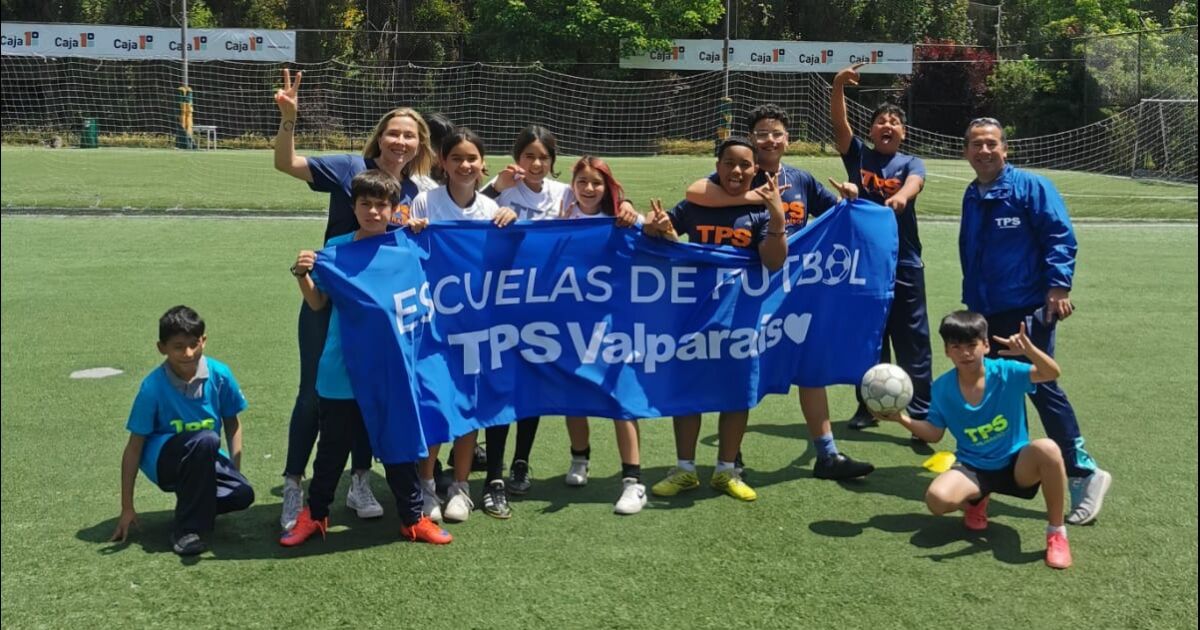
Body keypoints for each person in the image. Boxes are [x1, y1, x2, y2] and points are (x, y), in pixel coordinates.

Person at [272, 68, 438, 531]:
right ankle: (294, 487)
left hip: (377, 318)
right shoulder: (349, 169)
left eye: (409, 136)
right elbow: (287, 164)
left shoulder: (414, 193)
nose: (399, 142)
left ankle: (360, 480)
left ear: (419, 145)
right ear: (379, 137)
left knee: (371, 389)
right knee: (315, 395)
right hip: (330, 300)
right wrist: (288, 119)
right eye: (393, 133)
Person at [680, 104, 875, 483]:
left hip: (792, 294)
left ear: (788, 139)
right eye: (762, 133)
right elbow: (697, 194)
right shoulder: (740, 174)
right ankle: (731, 459)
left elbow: (839, 214)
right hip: (743, 296)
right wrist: (757, 200)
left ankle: (827, 453)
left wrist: (852, 195)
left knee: (810, 366)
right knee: (733, 371)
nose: (770, 140)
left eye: (777, 133)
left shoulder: (801, 180)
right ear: (751, 140)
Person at [280, 170, 451, 547]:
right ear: (354, 206)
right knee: (331, 451)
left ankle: (412, 519)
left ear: (394, 210)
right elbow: (318, 302)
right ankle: (316, 515)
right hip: (342, 370)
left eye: (381, 205)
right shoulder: (337, 249)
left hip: (392, 371)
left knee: (399, 445)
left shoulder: (408, 245)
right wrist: (302, 275)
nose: (373, 211)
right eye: (365, 204)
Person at [960, 117, 1112, 526]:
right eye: (976, 144)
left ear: (1005, 149)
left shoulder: (1031, 187)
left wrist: (1058, 287)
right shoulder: (972, 195)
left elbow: (1059, 236)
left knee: (1040, 387)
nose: (984, 150)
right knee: (994, 394)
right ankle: (993, 477)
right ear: (966, 151)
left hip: (1027, 308)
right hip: (986, 312)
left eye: (991, 143)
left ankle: (1083, 472)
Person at [642, 136, 788, 502]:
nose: (736, 170)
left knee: (736, 393)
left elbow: (773, 261)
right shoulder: (696, 203)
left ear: (756, 169)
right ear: (717, 165)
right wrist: (654, 226)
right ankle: (685, 469)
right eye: (729, 163)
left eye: (745, 164)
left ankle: (726, 470)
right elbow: (666, 236)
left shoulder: (760, 211)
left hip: (741, 317)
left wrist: (777, 215)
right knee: (689, 389)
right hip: (692, 314)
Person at [876, 311, 1073, 569]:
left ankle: (1056, 533)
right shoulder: (942, 388)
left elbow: (1051, 373)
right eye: (956, 347)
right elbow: (935, 433)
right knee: (937, 500)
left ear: (986, 345)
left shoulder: (1006, 372)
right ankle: (976, 500)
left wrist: (1030, 350)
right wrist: (901, 419)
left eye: (972, 345)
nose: (965, 353)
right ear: (947, 351)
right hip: (975, 468)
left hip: (1016, 466)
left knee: (1047, 449)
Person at [407, 128, 517, 522]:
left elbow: (507, 263)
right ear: (443, 163)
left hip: (477, 327)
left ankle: (461, 486)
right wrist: (411, 231)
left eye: (472, 158)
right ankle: (426, 485)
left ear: (482, 163)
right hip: (434, 327)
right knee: (437, 402)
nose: (465, 165)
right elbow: (407, 253)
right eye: (457, 159)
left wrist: (511, 223)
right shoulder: (425, 201)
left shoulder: (491, 211)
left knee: (469, 406)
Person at [831, 64, 934, 438]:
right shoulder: (858, 157)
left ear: (903, 133)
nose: (887, 125)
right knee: (869, 337)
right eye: (881, 121)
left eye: (895, 122)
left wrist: (900, 199)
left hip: (904, 262)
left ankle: (922, 412)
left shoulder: (910, 162)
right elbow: (840, 125)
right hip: (864, 265)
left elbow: (914, 184)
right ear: (872, 130)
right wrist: (838, 85)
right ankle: (868, 406)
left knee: (913, 339)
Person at [474, 125, 571, 511]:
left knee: (532, 387)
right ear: (517, 157)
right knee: (501, 384)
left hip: (546, 305)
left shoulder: (563, 194)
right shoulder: (502, 191)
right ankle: (494, 471)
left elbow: (599, 211)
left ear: (552, 160)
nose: (535, 163)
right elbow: (466, 217)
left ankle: (521, 462)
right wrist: (496, 191)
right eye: (528, 155)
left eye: (543, 157)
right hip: (502, 304)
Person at [110, 306, 254, 556]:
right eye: (178, 346)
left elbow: (233, 424)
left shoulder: (220, 375)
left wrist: (234, 469)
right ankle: (185, 530)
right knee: (207, 439)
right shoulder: (152, 387)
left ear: (204, 341)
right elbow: (134, 448)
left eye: (193, 344)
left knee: (242, 494)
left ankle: (191, 506)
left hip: (204, 455)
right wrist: (127, 507)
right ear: (161, 348)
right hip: (165, 463)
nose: (188, 353)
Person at [557, 156, 647, 515]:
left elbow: (658, 244)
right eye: (582, 182)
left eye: (597, 183)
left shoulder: (623, 218)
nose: (589, 189)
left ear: (608, 186)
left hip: (615, 323)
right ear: (573, 185)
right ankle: (580, 460)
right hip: (571, 322)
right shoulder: (562, 220)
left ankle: (633, 481)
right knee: (574, 394)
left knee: (620, 399)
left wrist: (643, 219)